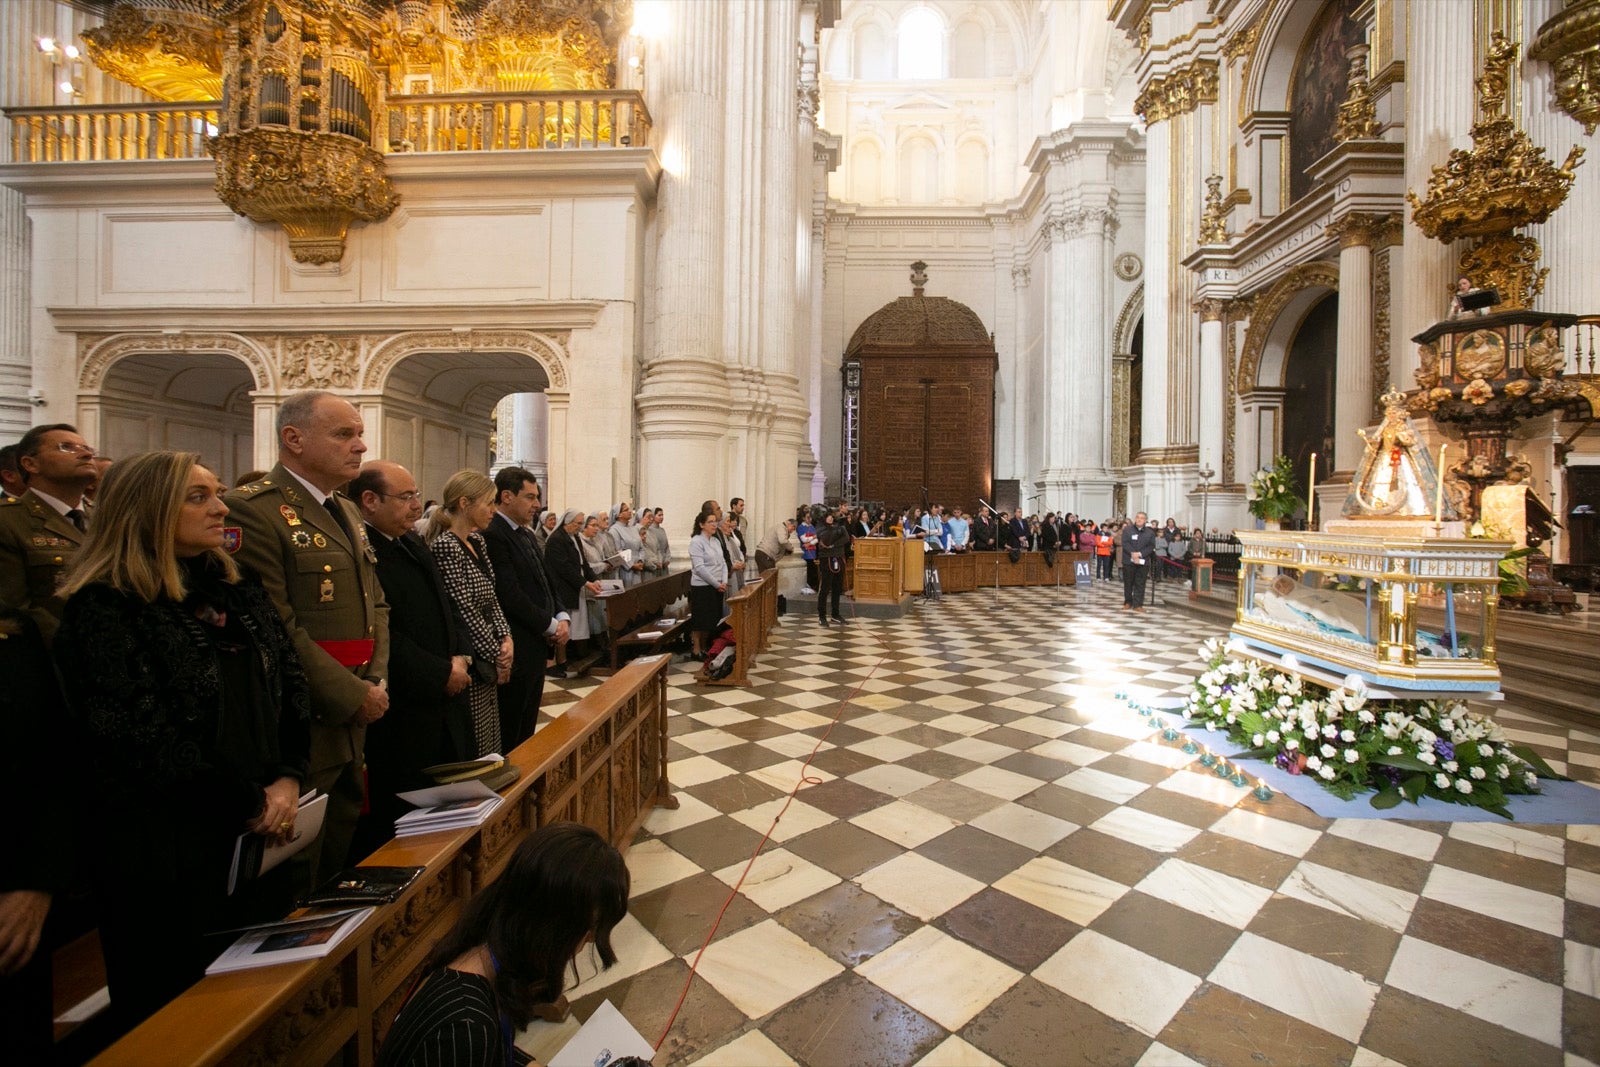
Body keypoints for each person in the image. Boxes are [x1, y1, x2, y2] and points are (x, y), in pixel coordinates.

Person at [55, 451, 310, 1037]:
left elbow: (290, 688)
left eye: (216, 492)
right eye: (198, 497)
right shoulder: (107, 606)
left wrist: (288, 779)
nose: (221, 507)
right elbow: (140, 736)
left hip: (264, 827)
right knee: (177, 1015)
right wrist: (250, 802)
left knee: (260, 998)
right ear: (146, 510)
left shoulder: (237, 588)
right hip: (165, 847)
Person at [225, 391, 388, 887]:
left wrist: (376, 680)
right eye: (345, 434)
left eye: (359, 433)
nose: (360, 446)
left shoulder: (346, 511)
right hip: (306, 716)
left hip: (360, 706)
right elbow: (276, 626)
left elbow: (376, 604)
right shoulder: (254, 510)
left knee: (337, 849)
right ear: (293, 439)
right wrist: (350, 694)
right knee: (295, 868)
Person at [377, 822, 629, 1067]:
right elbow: (475, 1049)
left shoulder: (478, 952)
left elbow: (494, 1052)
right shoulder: (466, 1026)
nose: (585, 942)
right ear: (551, 929)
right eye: (587, 931)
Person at [350, 461, 474, 856]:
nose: (416, 504)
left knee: (447, 801)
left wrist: (461, 655)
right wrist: (441, 671)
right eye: (406, 497)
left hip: (444, 691)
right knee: (403, 812)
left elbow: (444, 605)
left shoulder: (410, 541)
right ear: (369, 501)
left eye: (416, 495)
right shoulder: (363, 551)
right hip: (406, 704)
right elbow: (386, 635)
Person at [427, 470, 514, 758]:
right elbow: (463, 609)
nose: (493, 510)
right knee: (475, 743)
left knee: (492, 739)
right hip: (474, 661)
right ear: (465, 503)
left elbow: (492, 598)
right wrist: (496, 655)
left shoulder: (477, 542)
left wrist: (506, 637)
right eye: (488, 503)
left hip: (491, 653)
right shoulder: (446, 547)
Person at [480, 468, 566, 750]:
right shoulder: (494, 535)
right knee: (512, 723)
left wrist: (561, 615)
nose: (536, 504)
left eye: (537, 497)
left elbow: (546, 579)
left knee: (528, 719)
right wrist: (550, 625)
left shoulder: (526, 534)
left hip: (536, 641)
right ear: (506, 496)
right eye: (530, 497)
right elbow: (509, 594)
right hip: (517, 641)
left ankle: (525, 778)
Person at [0, 423, 98, 643]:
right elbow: (14, 609)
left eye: (88, 449)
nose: (86, 454)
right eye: (66, 447)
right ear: (30, 464)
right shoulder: (7, 521)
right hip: (51, 657)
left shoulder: (105, 518)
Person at [543, 510, 600, 677]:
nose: (580, 527)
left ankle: (568, 659)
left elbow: (583, 563)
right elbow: (564, 568)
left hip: (574, 586)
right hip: (562, 588)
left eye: (581, 523)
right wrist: (585, 583)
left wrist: (594, 579)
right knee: (563, 625)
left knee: (573, 627)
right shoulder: (556, 540)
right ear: (567, 522)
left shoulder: (573, 537)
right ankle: (557, 663)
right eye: (578, 523)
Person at [688, 510, 728, 657]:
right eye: (710, 522)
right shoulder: (696, 542)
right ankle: (697, 648)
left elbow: (723, 563)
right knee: (701, 619)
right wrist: (716, 584)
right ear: (701, 524)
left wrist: (723, 581)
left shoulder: (716, 541)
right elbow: (699, 568)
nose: (714, 524)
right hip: (702, 586)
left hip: (717, 585)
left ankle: (706, 647)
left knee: (712, 619)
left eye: (715, 521)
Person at [816, 508, 850, 626]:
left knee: (837, 587)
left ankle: (835, 614)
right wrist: (836, 532)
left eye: (832, 516)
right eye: (828, 516)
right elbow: (826, 539)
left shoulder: (839, 526)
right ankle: (822, 616)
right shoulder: (820, 528)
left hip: (839, 557)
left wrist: (835, 543)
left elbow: (846, 538)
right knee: (825, 588)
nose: (830, 518)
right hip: (827, 559)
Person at [1121, 511, 1157, 610]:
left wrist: (1140, 554)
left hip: (1143, 561)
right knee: (1128, 582)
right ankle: (1128, 602)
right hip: (1129, 560)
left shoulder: (1150, 533)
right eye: (1137, 517)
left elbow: (1151, 546)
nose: (1139, 519)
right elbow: (1125, 543)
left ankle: (1138, 604)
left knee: (1140, 583)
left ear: (1145, 520)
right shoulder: (1127, 530)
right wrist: (1133, 553)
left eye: (1141, 518)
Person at [722, 514, 747, 593]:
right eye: (728, 522)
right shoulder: (720, 541)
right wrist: (733, 566)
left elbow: (739, 552)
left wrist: (742, 562)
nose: (730, 527)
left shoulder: (731, 539)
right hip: (729, 573)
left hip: (737, 571)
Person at [797, 508, 818, 594]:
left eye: (811, 518)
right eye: (808, 517)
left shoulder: (812, 526)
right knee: (809, 571)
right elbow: (804, 539)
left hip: (812, 552)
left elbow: (817, 539)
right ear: (803, 518)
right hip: (806, 553)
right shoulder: (801, 527)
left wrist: (810, 543)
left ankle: (813, 587)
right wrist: (813, 537)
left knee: (814, 571)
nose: (810, 519)